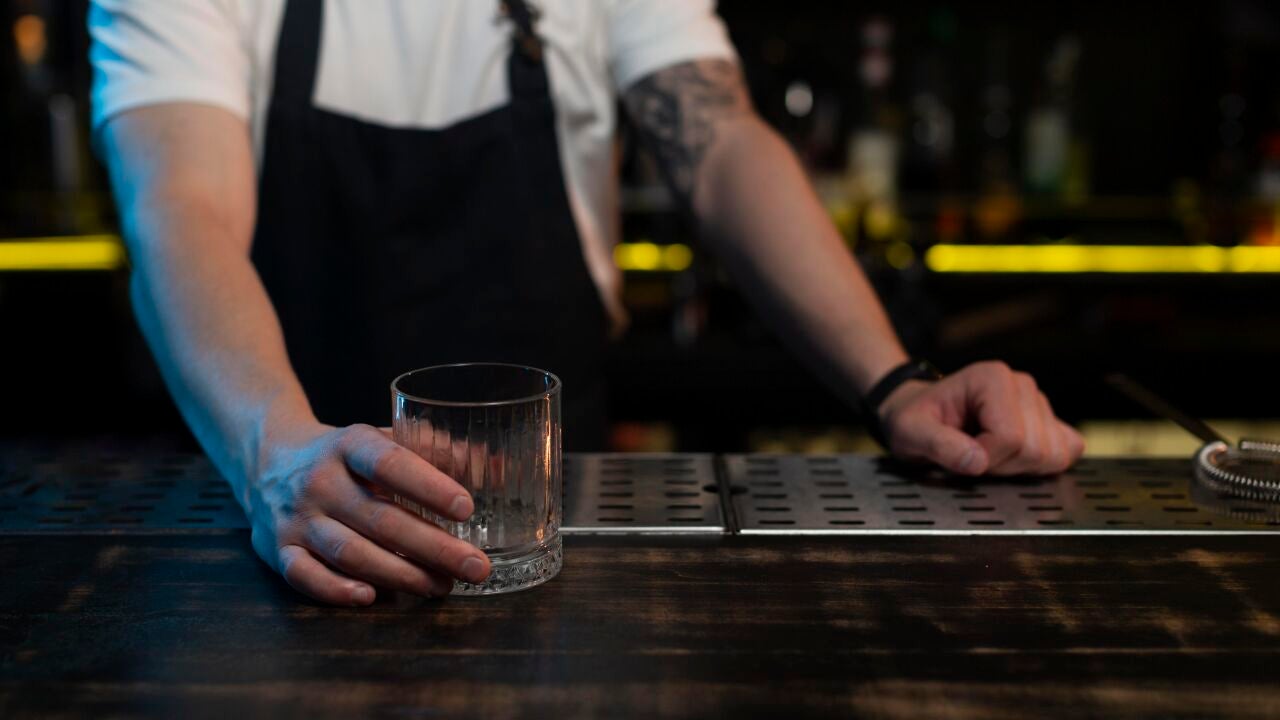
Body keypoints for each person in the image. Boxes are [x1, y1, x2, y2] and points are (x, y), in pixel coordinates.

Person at [89, 0, 1084, 605]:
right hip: (288, 533)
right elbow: (180, 208)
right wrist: (275, 452)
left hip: (549, 539)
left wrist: (895, 383)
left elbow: (718, 144)